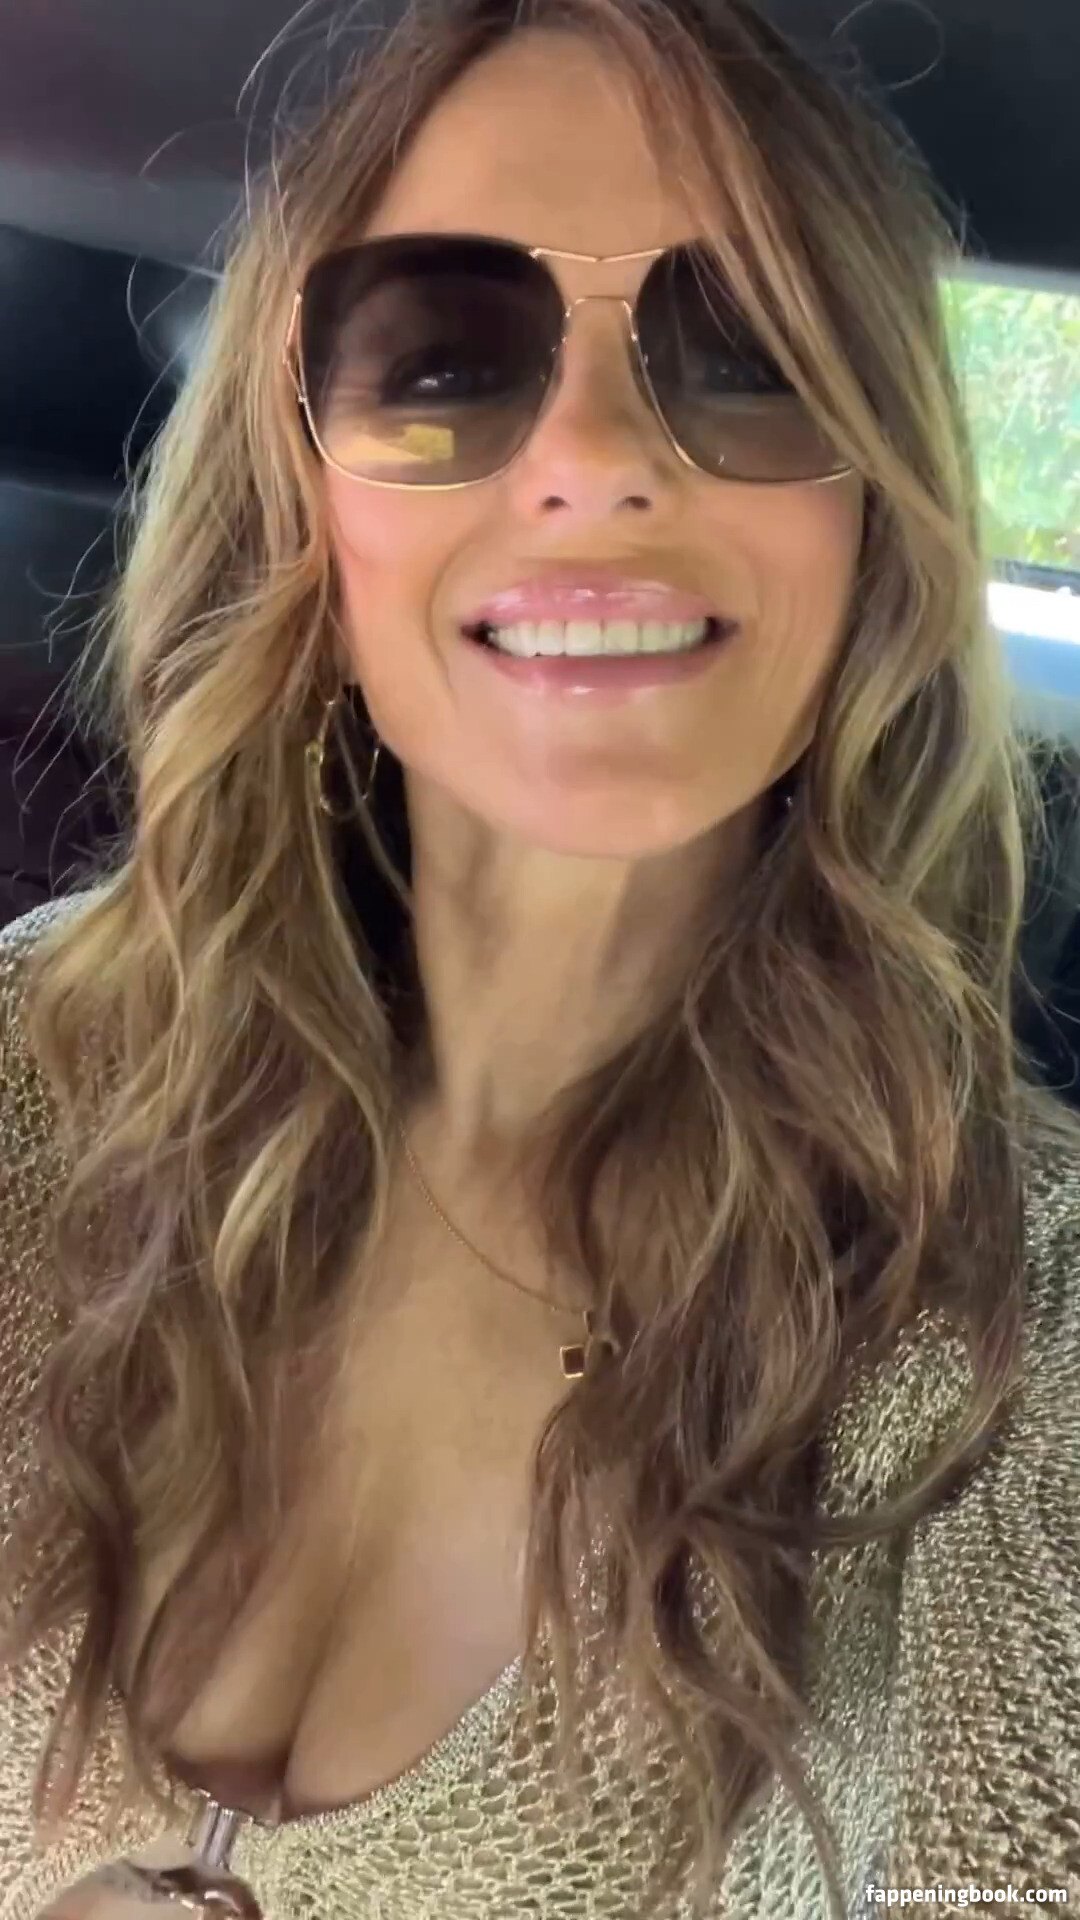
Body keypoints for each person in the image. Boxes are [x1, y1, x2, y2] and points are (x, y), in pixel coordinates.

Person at [1, 0, 1078, 1913]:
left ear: (872, 517)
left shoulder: (1018, 1335)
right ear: (309, 504)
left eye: (746, 353)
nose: (590, 456)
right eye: (444, 360)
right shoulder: (35, 1051)